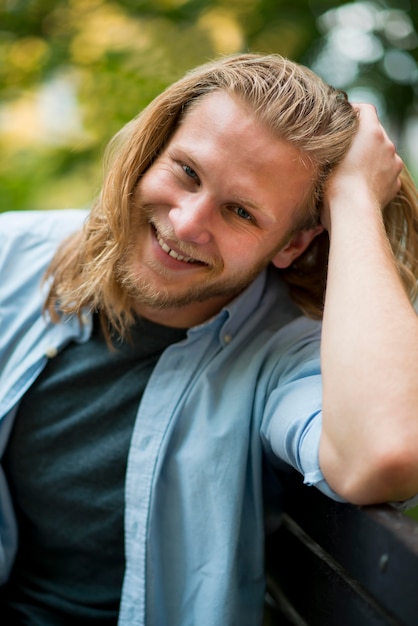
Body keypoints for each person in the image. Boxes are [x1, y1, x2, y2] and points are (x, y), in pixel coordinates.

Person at [0, 52, 417, 625]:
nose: (188, 223)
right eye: (186, 173)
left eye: (242, 212)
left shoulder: (283, 355)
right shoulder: (11, 258)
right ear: (150, 153)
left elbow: (387, 452)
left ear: (294, 244)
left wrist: (354, 197)